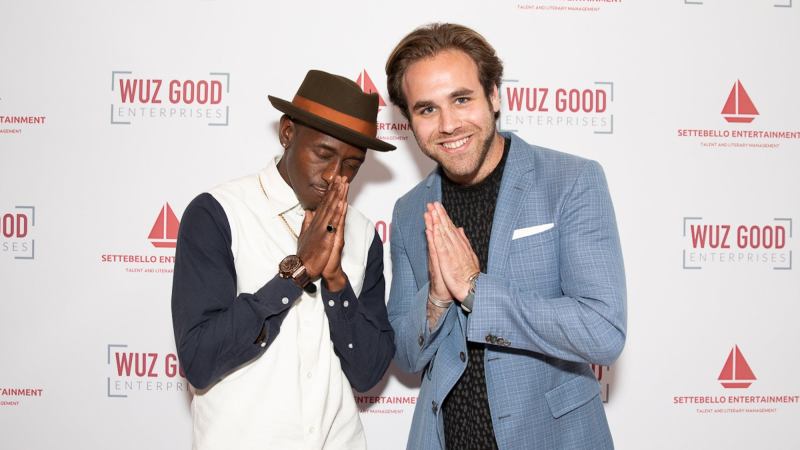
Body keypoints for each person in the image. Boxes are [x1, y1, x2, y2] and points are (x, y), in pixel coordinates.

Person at [385, 23, 626, 450]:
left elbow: (603, 330)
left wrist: (475, 290)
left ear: (494, 96)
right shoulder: (409, 211)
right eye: (427, 110)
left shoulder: (570, 181)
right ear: (410, 120)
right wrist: (437, 300)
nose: (448, 124)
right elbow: (406, 354)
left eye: (461, 99)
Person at [171, 69, 396, 450]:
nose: (334, 176)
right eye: (323, 154)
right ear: (288, 133)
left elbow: (368, 371)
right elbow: (200, 360)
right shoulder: (220, 213)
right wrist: (296, 272)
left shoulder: (362, 234)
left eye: (351, 165)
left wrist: (336, 282)